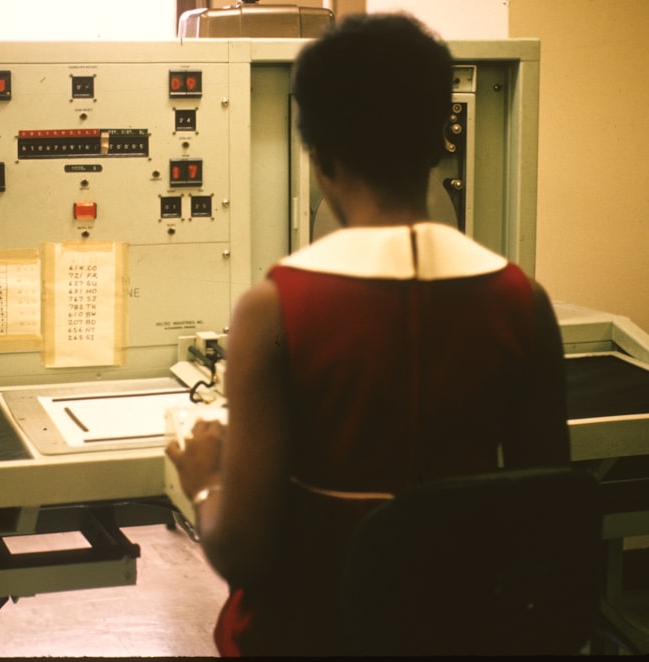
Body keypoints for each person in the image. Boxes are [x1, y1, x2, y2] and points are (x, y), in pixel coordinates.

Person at [164, 12, 570, 657]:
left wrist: (205, 478)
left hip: (310, 636)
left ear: (319, 155)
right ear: (442, 137)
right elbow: (547, 513)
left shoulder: (273, 308)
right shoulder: (525, 301)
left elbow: (241, 552)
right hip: (469, 634)